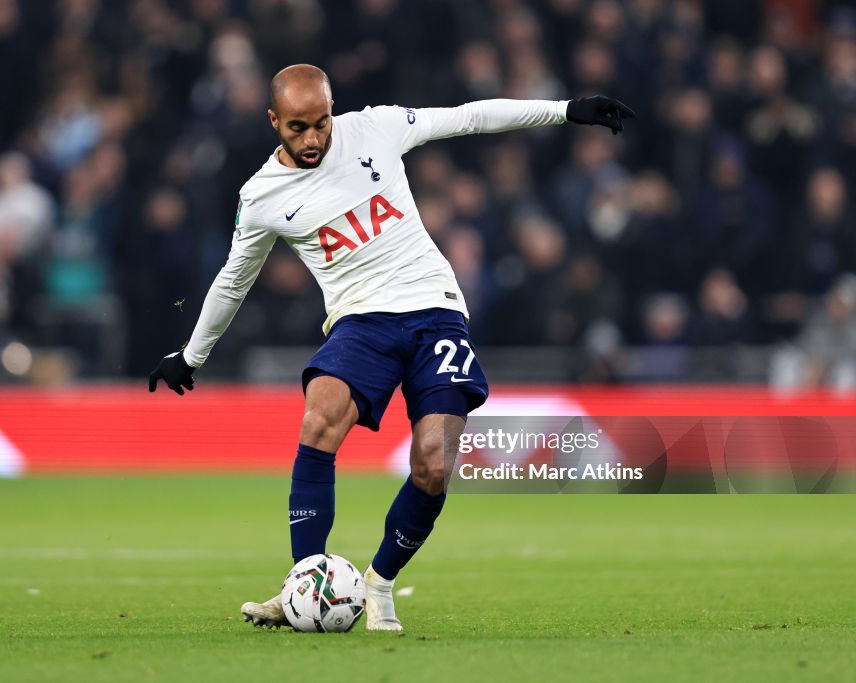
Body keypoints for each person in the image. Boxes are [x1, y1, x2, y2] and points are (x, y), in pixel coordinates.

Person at [148, 64, 633, 630]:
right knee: (319, 418)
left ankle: (379, 584)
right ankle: (307, 584)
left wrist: (565, 110)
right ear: (274, 120)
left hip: (435, 310)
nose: (313, 140)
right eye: (298, 127)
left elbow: (469, 117)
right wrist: (191, 355)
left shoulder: (374, 128)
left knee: (433, 465)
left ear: (334, 109)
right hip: (360, 321)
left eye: (322, 123)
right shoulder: (261, 196)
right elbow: (234, 278)